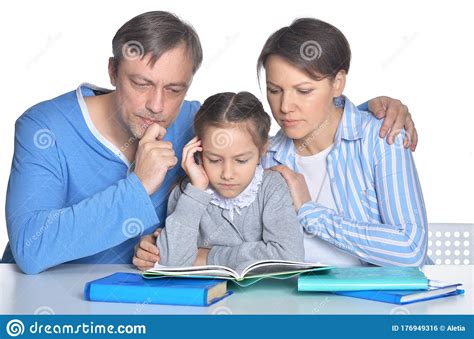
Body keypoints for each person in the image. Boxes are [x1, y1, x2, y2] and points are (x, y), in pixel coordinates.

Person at [2, 11, 417, 274]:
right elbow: (31, 250)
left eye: (175, 88)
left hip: (164, 297)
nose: (156, 106)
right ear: (112, 70)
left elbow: (253, 132)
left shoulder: (193, 122)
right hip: (52, 305)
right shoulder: (46, 128)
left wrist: (365, 108)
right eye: (141, 83)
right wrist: (137, 186)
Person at [259, 18, 428, 266]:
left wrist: (309, 211)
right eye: (275, 90)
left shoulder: (382, 137)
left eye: (304, 91)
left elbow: (410, 249)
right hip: (290, 300)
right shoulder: (264, 155)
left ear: (337, 83)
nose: (285, 107)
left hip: (375, 303)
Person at [155, 92, 304, 272]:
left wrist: (209, 256)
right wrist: (196, 191)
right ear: (198, 151)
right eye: (214, 160)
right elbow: (170, 262)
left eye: (241, 161)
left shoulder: (272, 188)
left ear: (262, 151)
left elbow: (289, 256)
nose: (227, 174)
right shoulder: (188, 193)